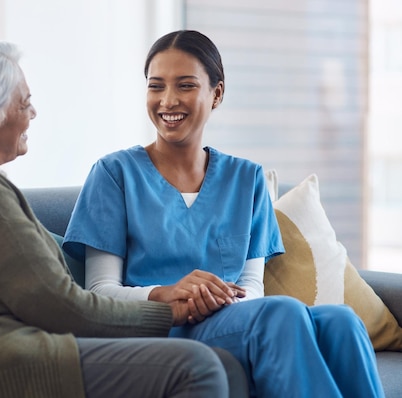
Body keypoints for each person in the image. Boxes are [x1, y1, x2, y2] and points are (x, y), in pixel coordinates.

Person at [0, 25, 249, 398]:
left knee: (226, 367)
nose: (33, 113)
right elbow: (63, 308)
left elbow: (32, 268)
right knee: (196, 367)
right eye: (23, 104)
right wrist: (171, 311)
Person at [63, 30, 385, 398]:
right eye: (156, 86)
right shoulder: (114, 174)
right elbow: (100, 293)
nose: (168, 100)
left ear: (216, 93)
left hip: (234, 320)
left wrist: (218, 297)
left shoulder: (248, 179)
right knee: (281, 314)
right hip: (162, 328)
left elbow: (252, 287)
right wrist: (168, 294)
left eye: (185, 85)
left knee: (342, 321)